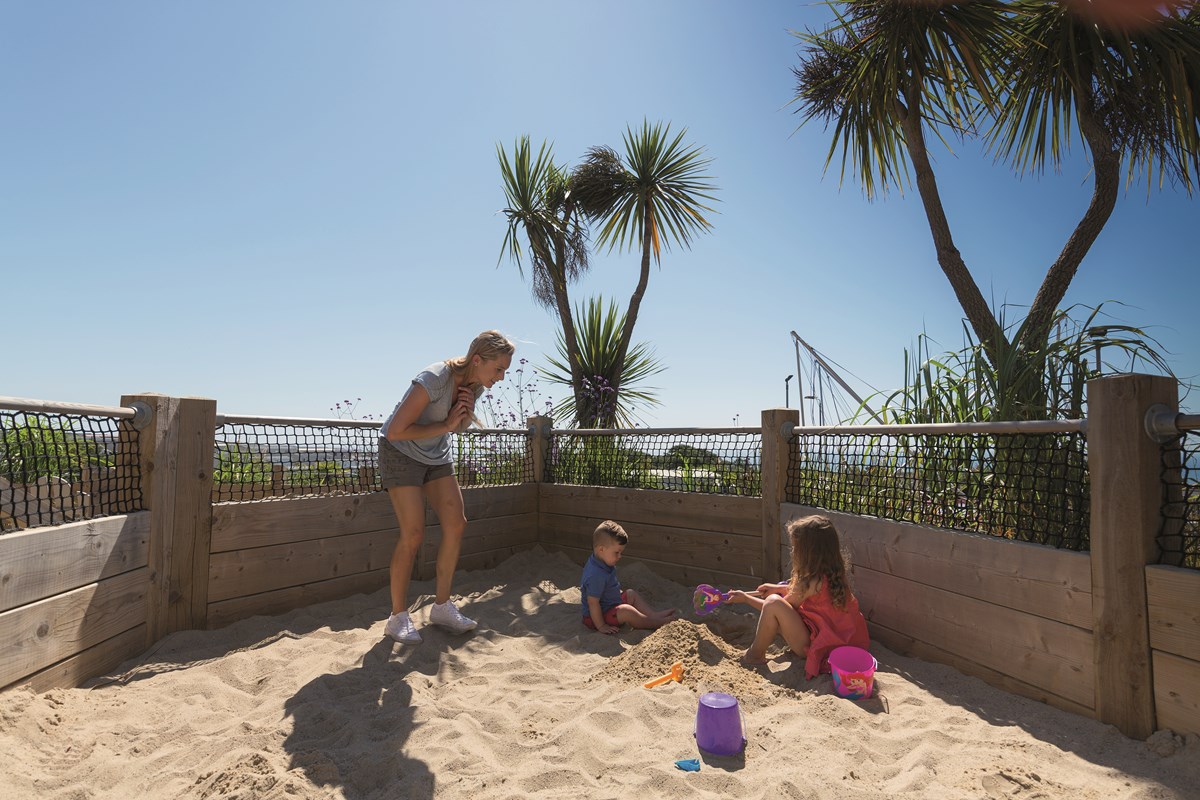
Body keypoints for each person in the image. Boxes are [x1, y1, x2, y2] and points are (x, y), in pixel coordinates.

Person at [379, 330, 515, 644]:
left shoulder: (476, 384)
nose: (502, 377)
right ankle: (397, 617)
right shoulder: (434, 377)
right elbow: (397, 431)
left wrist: (464, 413)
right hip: (399, 453)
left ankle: (441, 607)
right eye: (499, 369)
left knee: (456, 523)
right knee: (413, 534)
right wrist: (447, 425)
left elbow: (457, 426)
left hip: (435, 454)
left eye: (505, 371)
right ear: (478, 360)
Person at [728, 514, 869, 678]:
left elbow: (773, 608)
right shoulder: (832, 574)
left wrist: (745, 598)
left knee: (773, 603)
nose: (793, 552)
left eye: (796, 548)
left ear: (809, 553)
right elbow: (803, 593)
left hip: (815, 647)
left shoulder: (809, 583)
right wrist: (776, 588)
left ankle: (754, 655)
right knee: (777, 599)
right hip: (838, 643)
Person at [581, 520, 676, 634]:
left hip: (611, 604)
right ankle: (653, 622)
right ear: (601, 549)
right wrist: (601, 626)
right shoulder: (596, 575)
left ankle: (653, 615)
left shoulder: (601, 560)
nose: (620, 556)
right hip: (597, 617)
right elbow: (593, 603)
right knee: (627, 611)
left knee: (631, 593)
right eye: (617, 552)